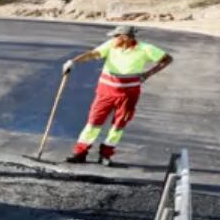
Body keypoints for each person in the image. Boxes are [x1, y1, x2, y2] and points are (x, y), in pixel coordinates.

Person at [61, 25, 173, 166]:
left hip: (129, 93)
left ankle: (105, 155)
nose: (113, 38)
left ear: (125, 37)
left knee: (118, 125)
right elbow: (93, 54)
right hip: (105, 91)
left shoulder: (145, 48)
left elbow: (167, 59)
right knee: (93, 122)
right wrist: (73, 61)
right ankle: (79, 153)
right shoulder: (111, 45)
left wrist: (148, 74)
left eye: (116, 36)